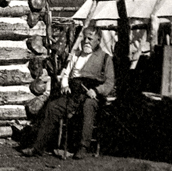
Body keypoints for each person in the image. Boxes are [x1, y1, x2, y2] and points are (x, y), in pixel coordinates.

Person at [22, 26, 115, 160]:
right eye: (84, 38)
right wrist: (65, 85)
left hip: (91, 94)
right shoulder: (76, 55)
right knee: (52, 107)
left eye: (90, 39)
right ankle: (38, 148)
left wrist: (96, 90)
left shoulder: (105, 58)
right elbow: (66, 73)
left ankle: (83, 147)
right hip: (74, 92)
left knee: (88, 106)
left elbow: (109, 83)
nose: (86, 42)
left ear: (98, 40)